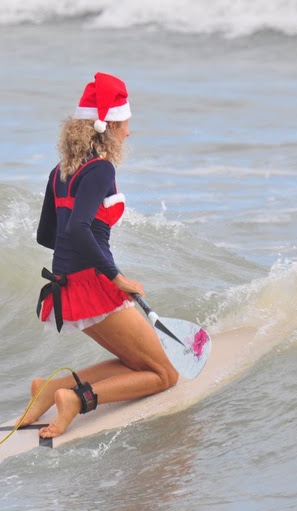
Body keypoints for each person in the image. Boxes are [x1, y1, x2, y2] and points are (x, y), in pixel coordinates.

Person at [20, 72, 179, 439]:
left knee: (133, 363)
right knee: (164, 375)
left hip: (67, 287)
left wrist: (87, 258)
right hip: (92, 284)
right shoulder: (101, 170)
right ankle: (77, 399)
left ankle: (47, 390)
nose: (128, 133)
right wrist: (114, 275)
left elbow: (49, 235)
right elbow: (78, 228)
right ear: (107, 128)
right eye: (125, 125)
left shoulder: (59, 172)